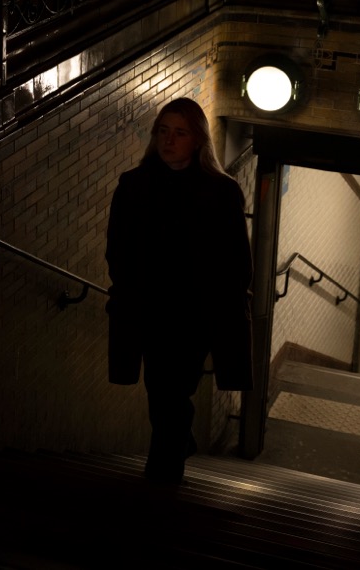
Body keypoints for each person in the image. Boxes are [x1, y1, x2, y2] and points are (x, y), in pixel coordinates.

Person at [104, 96, 254, 485]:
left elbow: (237, 261)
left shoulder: (221, 191)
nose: (169, 141)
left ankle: (162, 477)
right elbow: (117, 249)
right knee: (160, 390)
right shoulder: (134, 185)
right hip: (149, 311)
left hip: (195, 317)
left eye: (180, 133)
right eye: (163, 131)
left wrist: (225, 309)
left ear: (198, 139)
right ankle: (179, 443)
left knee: (172, 390)